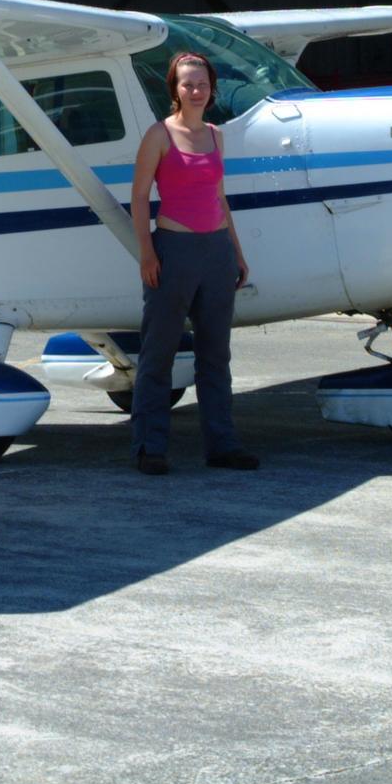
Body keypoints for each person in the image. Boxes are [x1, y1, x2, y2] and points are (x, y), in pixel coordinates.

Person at [127, 51, 258, 476]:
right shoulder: (159, 135)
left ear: (211, 87)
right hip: (174, 251)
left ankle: (223, 444)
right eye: (187, 84)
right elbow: (140, 196)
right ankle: (149, 447)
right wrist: (147, 252)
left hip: (216, 252)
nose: (196, 91)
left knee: (215, 354)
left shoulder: (217, 136)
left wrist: (236, 252)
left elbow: (219, 198)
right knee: (158, 353)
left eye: (202, 84)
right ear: (175, 89)